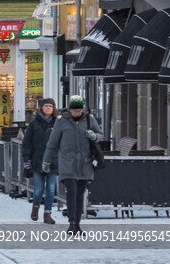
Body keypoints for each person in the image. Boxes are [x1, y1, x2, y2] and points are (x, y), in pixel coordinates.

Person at [44, 96, 102, 235]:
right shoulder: (61, 121)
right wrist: (46, 160)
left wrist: (94, 136)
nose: (77, 113)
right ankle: (72, 223)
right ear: (69, 109)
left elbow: (100, 135)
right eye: (75, 110)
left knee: (80, 194)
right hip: (67, 163)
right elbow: (52, 143)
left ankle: (77, 223)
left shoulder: (89, 119)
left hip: (84, 163)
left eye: (79, 110)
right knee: (72, 192)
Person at [21, 98, 58, 224]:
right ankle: (35, 208)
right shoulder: (33, 124)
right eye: (46, 106)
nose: (48, 108)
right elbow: (26, 143)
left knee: (51, 188)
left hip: (53, 160)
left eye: (50, 106)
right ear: (41, 108)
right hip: (37, 160)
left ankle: (47, 213)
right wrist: (27, 159)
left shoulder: (57, 123)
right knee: (38, 189)